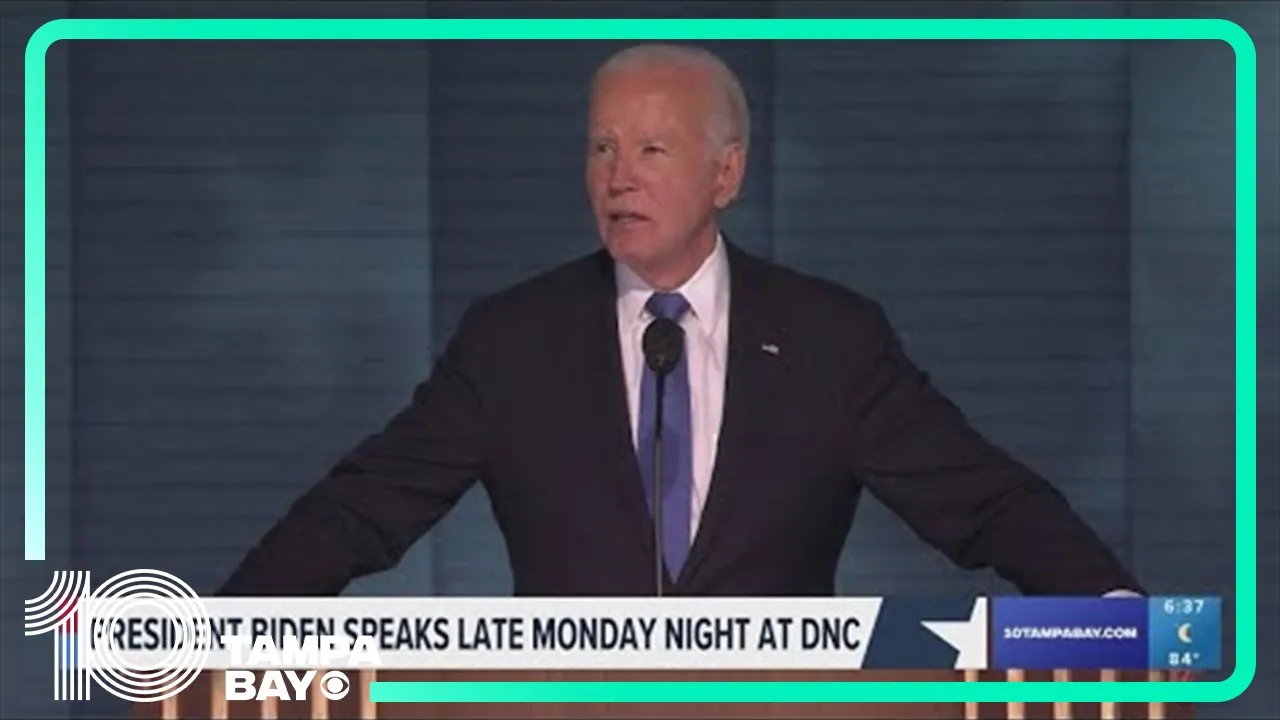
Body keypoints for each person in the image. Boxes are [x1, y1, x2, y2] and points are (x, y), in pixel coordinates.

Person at [218, 43, 1141, 599]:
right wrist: (219, 635)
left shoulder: (830, 341)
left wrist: (1118, 616)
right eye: (602, 147)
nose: (619, 176)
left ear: (725, 174)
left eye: (652, 149)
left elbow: (984, 503)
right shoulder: (513, 342)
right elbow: (360, 510)